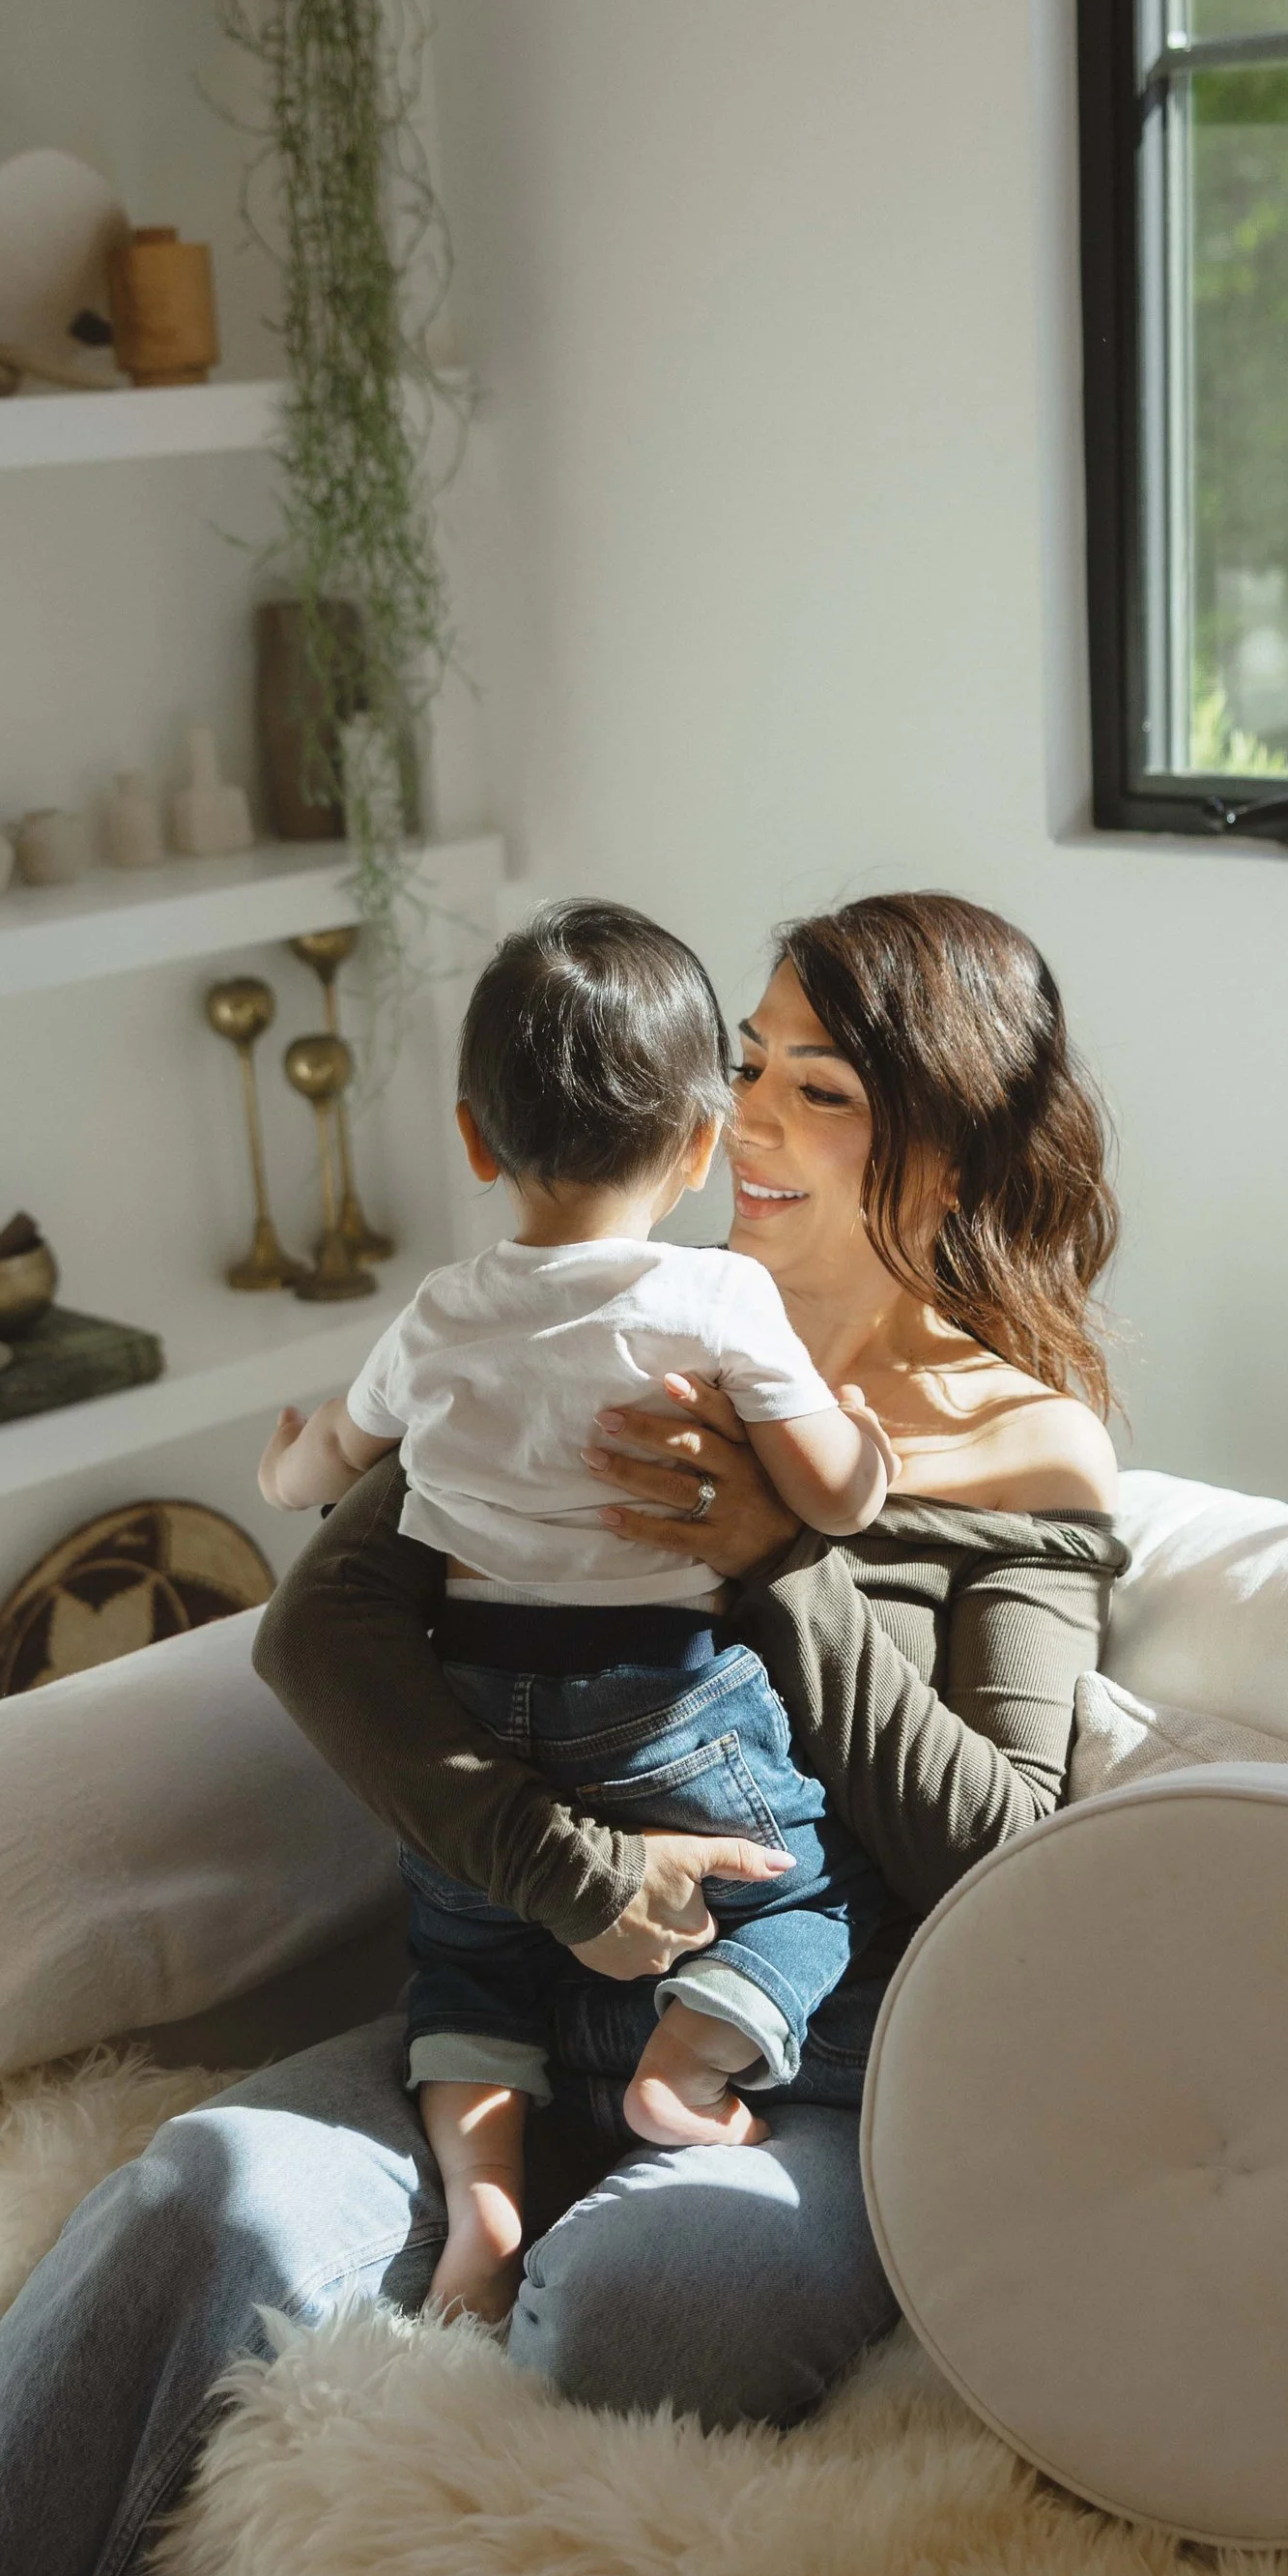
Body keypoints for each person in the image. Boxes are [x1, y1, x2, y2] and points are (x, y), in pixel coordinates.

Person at [0, 889, 1123, 2576]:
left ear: (937, 1158)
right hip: (500, 1972)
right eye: (740, 1063)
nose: (748, 1120)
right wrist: (562, 1882)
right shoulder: (588, 1327)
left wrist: (784, 1558)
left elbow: (1012, 1864)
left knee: (641, 2316)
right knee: (193, 2207)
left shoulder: (1013, 1451)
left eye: (818, 1091)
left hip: (800, 2061)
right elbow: (326, 1631)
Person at [258, 899, 899, 2321]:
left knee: (469, 1962)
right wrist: (860, 1443)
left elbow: (324, 1473)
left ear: (477, 1142)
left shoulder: (434, 1316)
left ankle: (480, 2225)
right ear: (696, 1149)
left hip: (473, 1697)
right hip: (656, 1693)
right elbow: (834, 1495)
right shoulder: (719, 1296)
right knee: (808, 1887)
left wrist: (283, 1449)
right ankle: (698, 2050)